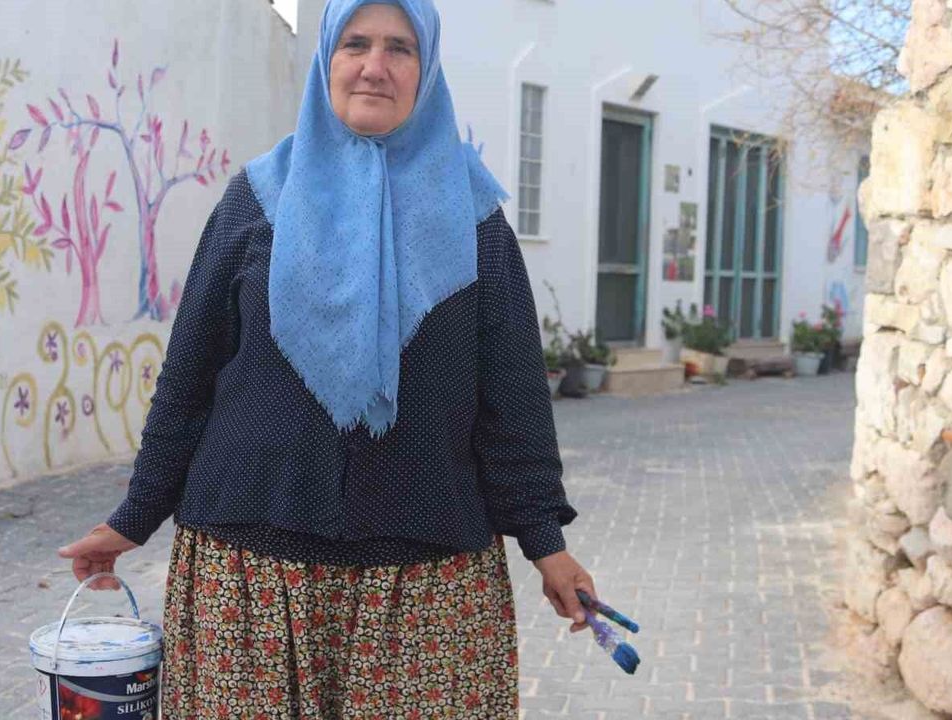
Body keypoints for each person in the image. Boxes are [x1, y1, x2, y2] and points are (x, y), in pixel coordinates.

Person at [58, 0, 594, 715]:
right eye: (355, 44)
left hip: (426, 587)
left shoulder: (476, 223)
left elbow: (514, 403)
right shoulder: (256, 200)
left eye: (400, 48)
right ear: (326, 61)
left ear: (427, 68)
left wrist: (546, 543)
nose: (375, 67)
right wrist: (135, 515)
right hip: (247, 580)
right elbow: (188, 380)